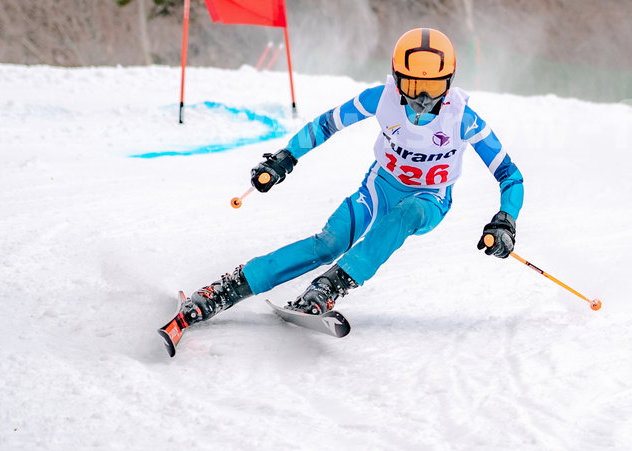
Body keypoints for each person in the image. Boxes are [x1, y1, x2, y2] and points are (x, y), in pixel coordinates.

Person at [159, 27, 523, 352]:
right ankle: (227, 289)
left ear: (450, 81)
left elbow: (509, 173)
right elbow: (326, 124)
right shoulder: (380, 98)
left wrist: (505, 219)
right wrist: (285, 157)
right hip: (379, 189)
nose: (422, 100)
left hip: (430, 199)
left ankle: (330, 286)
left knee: (407, 214)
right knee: (328, 243)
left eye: (433, 88)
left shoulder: (463, 117)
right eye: (413, 87)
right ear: (397, 79)